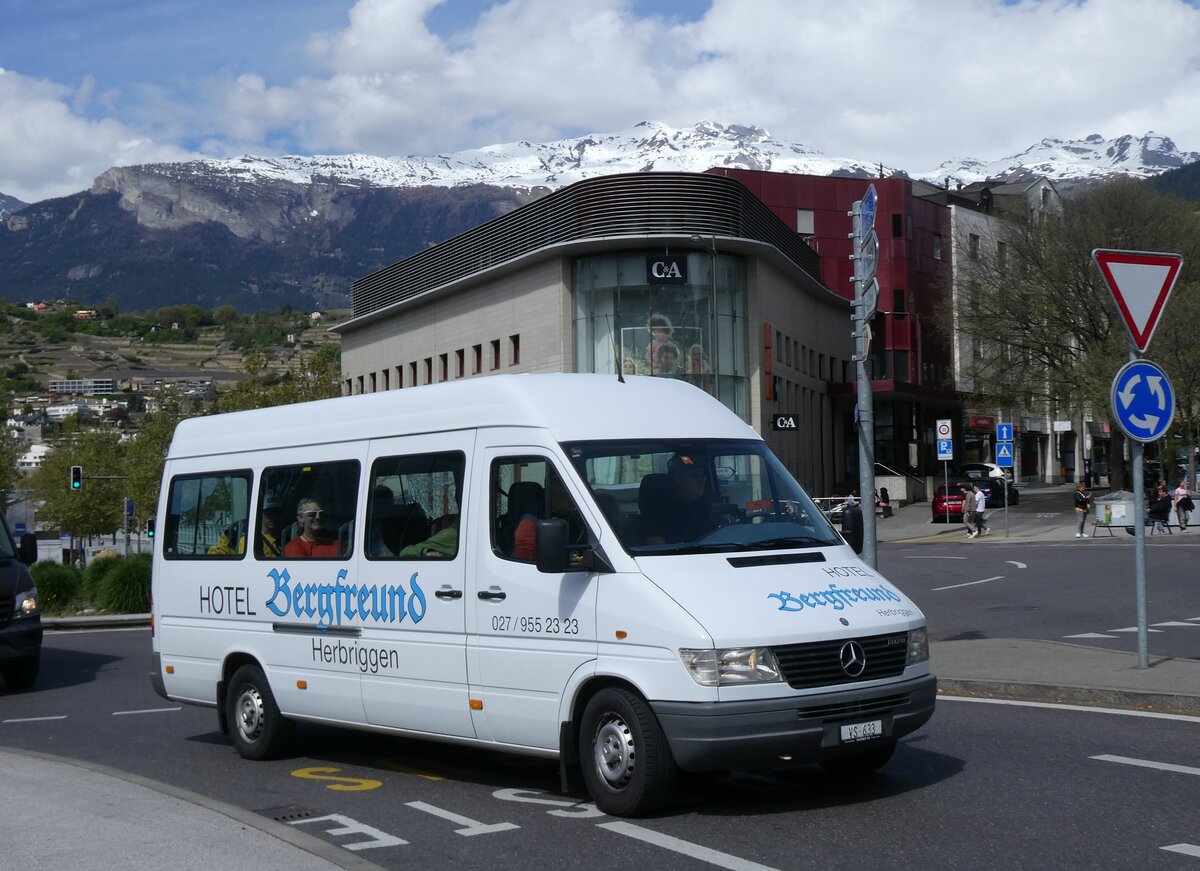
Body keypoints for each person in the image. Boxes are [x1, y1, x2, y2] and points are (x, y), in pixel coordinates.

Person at [643, 454, 714, 545]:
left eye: (703, 477)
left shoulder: (704, 507)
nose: (701, 482)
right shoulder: (659, 514)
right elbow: (656, 550)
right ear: (677, 478)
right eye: (695, 476)